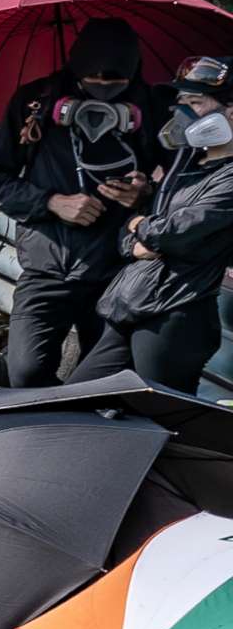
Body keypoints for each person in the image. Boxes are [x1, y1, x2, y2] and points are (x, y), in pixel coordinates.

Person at [0, 18, 160, 386]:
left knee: (103, 387)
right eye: (93, 83)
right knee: (25, 373)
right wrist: (51, 202)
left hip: (118, 271)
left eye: (116, 85)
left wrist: (146, 193)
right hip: (48, 267)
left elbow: (185, 181)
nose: (104, 93)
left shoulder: (157, 109)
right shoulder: (34, 104)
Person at [72, 57, 233, 392]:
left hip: (176, 313)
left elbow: (178, 231)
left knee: (160, 419)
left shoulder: (229, 177)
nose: (182, 112)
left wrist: (143, 229)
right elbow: (133, 229)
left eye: (195, 102)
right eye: (181, 102)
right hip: (134, 302)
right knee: (75, 398)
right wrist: (137, 236)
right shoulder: (185, 163)